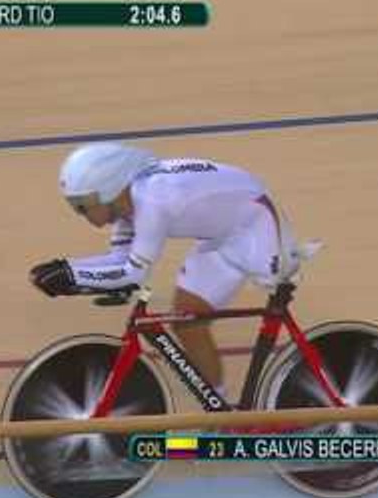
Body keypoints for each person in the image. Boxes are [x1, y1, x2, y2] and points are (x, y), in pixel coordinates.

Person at [29, 141, 306, 401]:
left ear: (108, 189)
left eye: (82, 206)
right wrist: (64, 268)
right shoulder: (127, 206)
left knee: (272, 309)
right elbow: (118, 260)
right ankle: (222, 416)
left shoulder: (153, 200)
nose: (82, 215)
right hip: (222, 237)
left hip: (257, 229)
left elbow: (133, 274)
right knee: (186, 319)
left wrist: (71, 275)